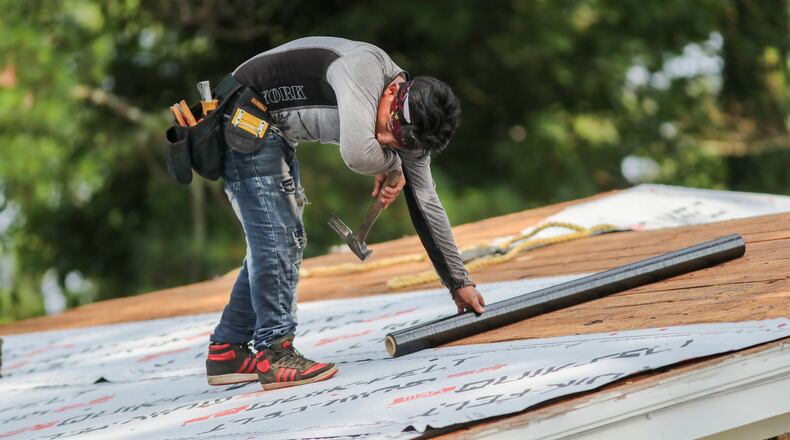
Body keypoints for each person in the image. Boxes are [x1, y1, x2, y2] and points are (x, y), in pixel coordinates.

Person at [205, 36, 486, 390]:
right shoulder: (364, 69)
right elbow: (357, 154)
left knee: (276, 240)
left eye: (398, 144)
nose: (386, 141)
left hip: (274, 128)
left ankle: (227, 351)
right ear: (391, 95)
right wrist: (393, 167)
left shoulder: (409, 128)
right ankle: (274, 354)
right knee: (279, 240)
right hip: (245, 114)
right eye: (388, 131)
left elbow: (427, 202)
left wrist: (459, 282)